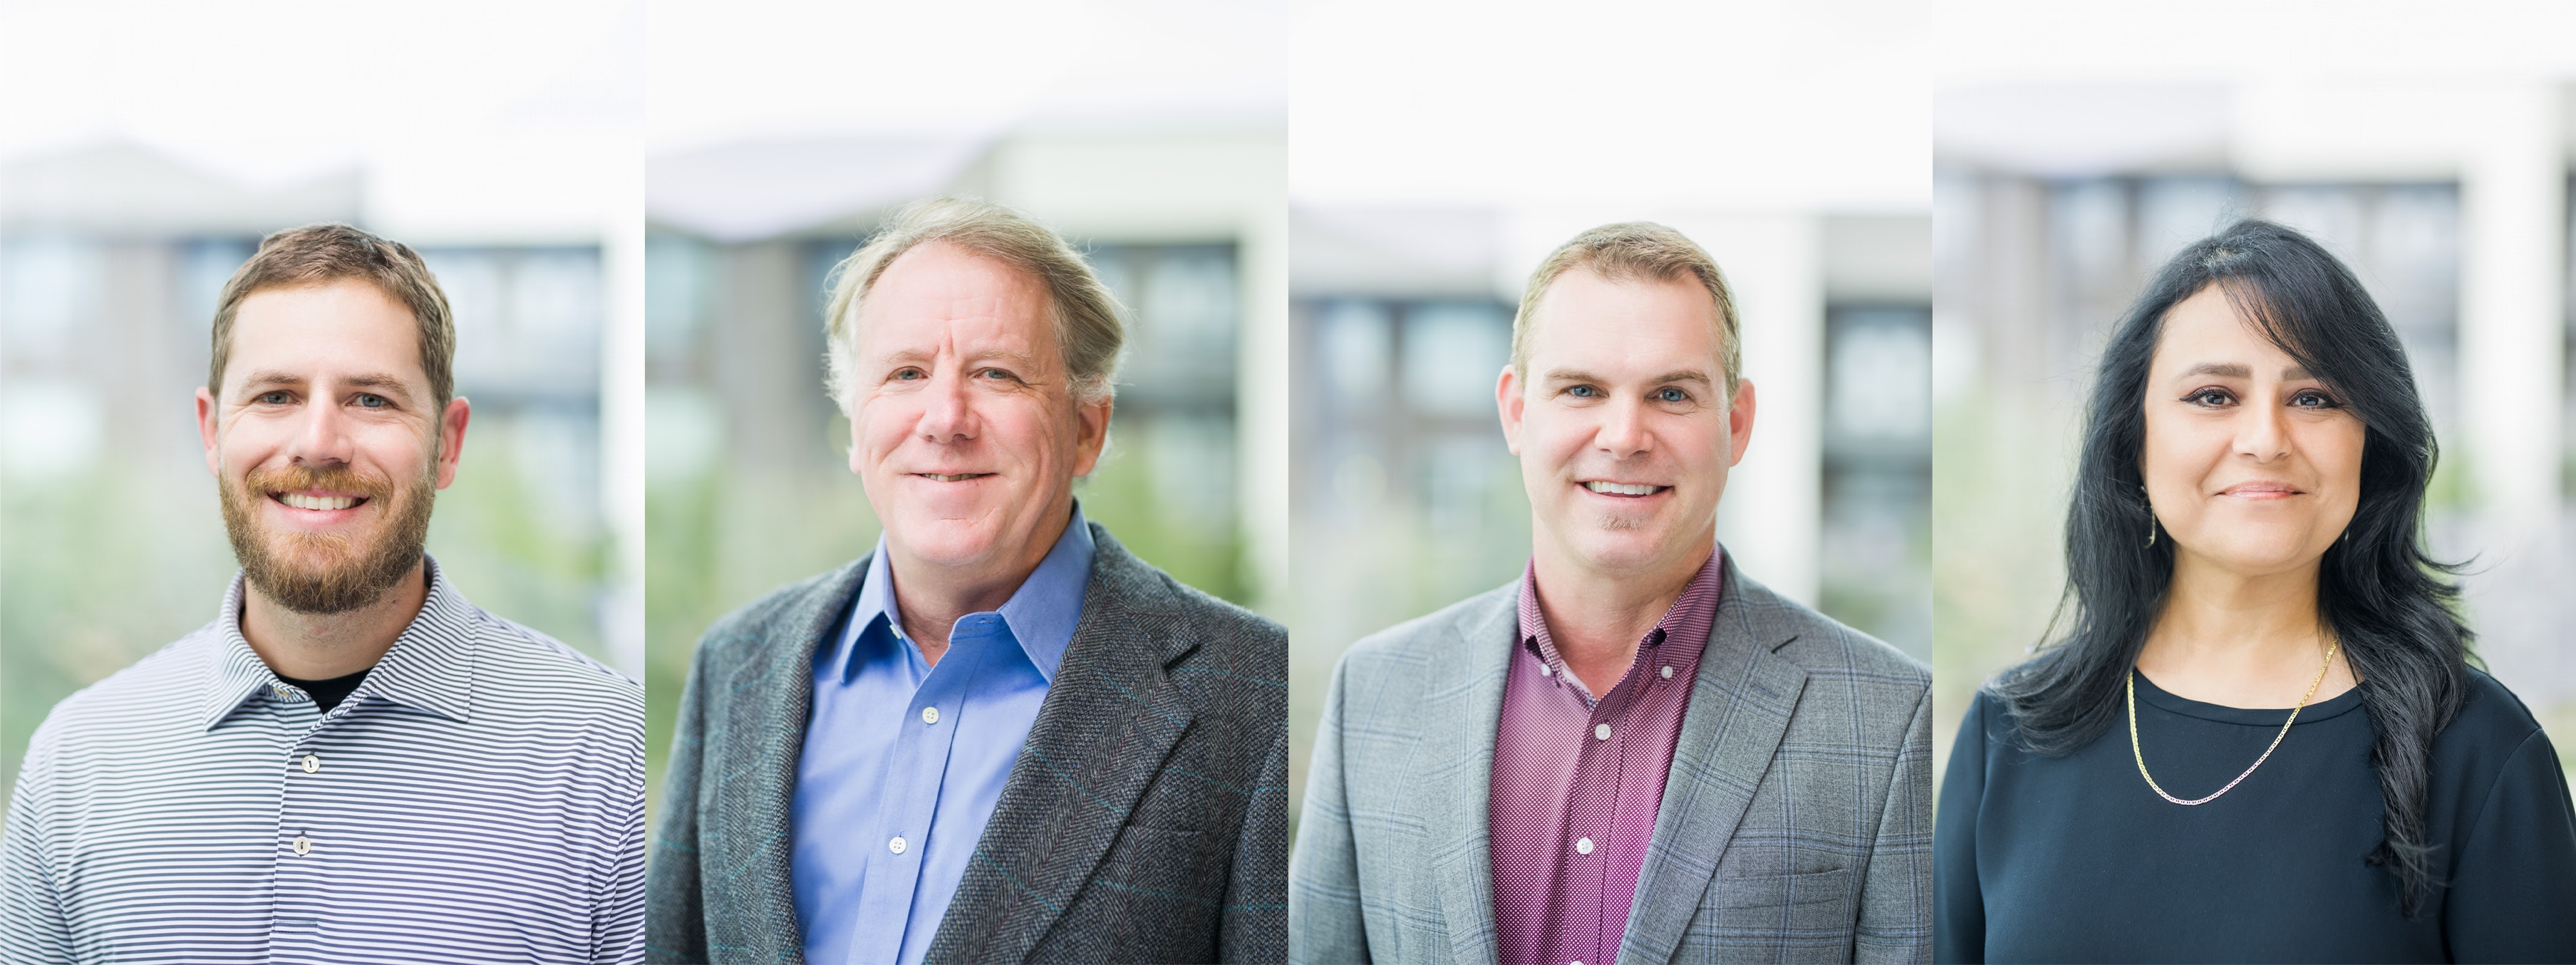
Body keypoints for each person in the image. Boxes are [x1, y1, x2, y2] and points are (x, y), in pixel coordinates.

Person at [647, 197, 1288, 965]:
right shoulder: (738, 666)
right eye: (906, 372)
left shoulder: (1252, 697)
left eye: (997, 373)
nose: (945, 417)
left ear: (1088, 428)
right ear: (857, 424)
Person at [1290, 222, 1934, 965]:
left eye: (1670, 392)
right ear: (1516, 412)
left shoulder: (1885, 718)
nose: (1624, 434)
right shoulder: (1373, 695)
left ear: (1737, 421)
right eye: (1582, 389)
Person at [1934, 220, 2576, 963]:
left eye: (2315, 398)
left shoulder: (2478, 751)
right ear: (2132, 441)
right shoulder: (2006, 736)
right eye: (2213, 395)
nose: (2267, 438)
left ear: (2371, 443)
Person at [0, 224, 646, 963]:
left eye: (370, 399)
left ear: (448, 443)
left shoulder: (608, 750)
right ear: (213, 431)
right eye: (276, 395)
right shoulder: (78, 760)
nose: (318, 443)